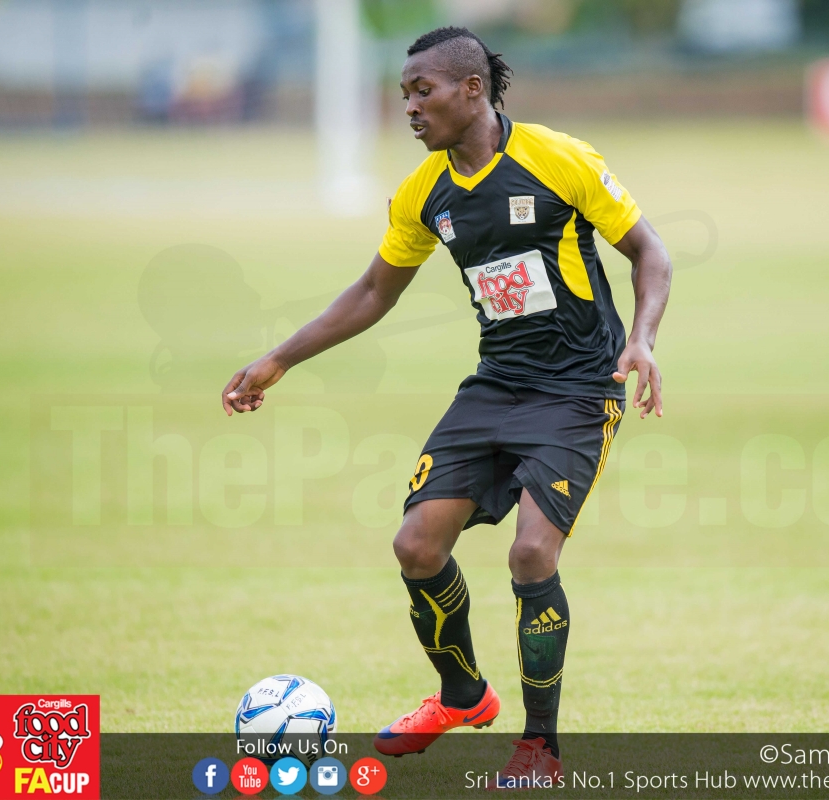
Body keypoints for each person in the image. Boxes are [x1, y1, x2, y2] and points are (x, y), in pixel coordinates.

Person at [221, 26, 672, 787]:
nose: (409, 107)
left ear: (472, 89)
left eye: (421, 91)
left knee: (531, 554)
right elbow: (374, 291)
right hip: (496, 384)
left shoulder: (558, 158)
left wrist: (644, 339)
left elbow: (650, 252)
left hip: (577, 388)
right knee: (416, 546)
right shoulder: (424, 193)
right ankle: (463, 696)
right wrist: (278, 360)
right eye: (404, 94)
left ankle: (540, 749)